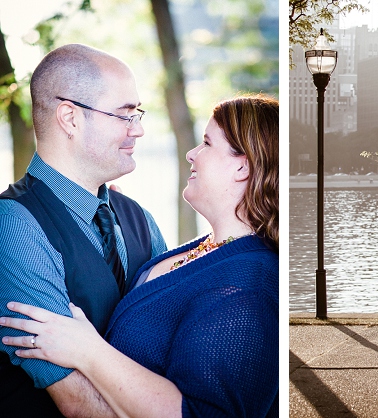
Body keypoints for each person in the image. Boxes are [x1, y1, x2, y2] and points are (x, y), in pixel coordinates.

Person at [1, 94, 279, 417]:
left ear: (242, 166)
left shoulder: (250, 288)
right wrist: (101, 215)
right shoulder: (202, 247)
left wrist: (88, 350)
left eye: (206, 143)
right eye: (123, 115)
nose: (192, 153)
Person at [0, 43, 167, 417]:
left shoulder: (139, 218)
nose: (138, 130)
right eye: (125, 115)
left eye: (138, 113)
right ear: (70, 118)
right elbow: (76, 401)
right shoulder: (11, 226)